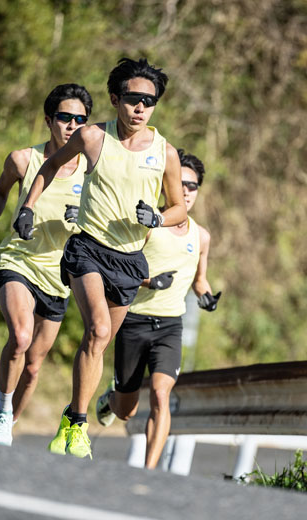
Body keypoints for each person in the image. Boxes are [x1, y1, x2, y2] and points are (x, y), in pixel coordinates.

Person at [17, 57, 187, 459]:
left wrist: (159, 217)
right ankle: (78, 425)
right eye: (133, 98)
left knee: (101, 341)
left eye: (150, 100)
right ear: (115, 99)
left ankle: (72, 414)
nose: (141, 107)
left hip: (129, 259)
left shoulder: (166, 153)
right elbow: (49, 166)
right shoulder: (93, 137)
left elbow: (181, 208)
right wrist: (27, 207)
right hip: (88, 247)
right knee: (96, 329)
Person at [0, 83, 93, 446]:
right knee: (20, 337)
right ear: (48, 120)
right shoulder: (24, 160)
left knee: (33, 366)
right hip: (19, 262)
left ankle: (8, 426)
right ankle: (0, 414)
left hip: (59, 277)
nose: (72, 125)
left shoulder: (91, 170)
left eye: (80, 119)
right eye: (65, 117)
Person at [94, 149, 220, 469]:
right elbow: (118, 271)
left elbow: (199, 279)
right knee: (127, 411)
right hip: (133, 322)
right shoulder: (149, 224)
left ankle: (150, 472)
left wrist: (205, 296)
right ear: (169, 184)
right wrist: (149, 281)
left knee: (162, 395)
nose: (187, 191)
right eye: (182, 183)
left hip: (169, 327)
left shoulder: (201, 236)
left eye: (193, 186)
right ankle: (111, 399)